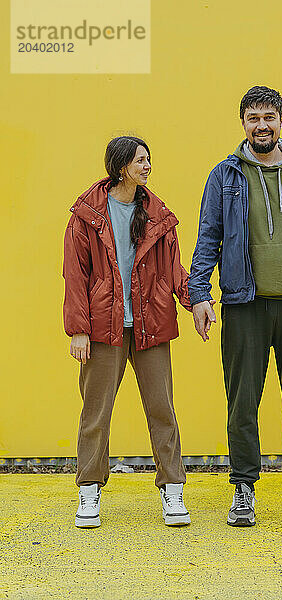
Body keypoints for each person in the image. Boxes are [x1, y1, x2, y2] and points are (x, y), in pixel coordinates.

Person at [188, 86, 282, 527]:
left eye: (268, 117)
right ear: (243, 124)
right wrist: (200, 294)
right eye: (253, 117)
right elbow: (208, 237)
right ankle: (243, 490)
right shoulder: (225, 176)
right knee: (242, 403)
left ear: (281, 121)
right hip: (243, 305)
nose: (261, 125)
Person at [62, 136, 192, 528]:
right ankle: (89, 491)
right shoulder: (87, 216)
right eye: (140, 160)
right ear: (122, 167)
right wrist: (78, 330)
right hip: (104, 329)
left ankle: (172, 491)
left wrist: (196, 302)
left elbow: (174, 270)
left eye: (149, 159)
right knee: (96, 413)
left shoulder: (157, 215)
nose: (148, 166)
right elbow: (75, 276)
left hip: (151, 325)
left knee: (162, 410)